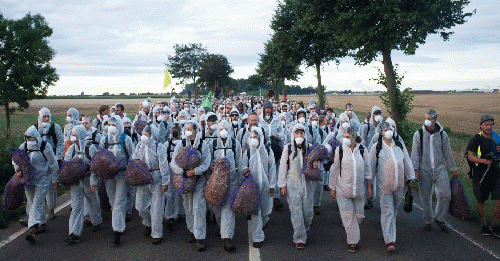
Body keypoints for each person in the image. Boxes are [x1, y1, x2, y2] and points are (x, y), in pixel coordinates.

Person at [369, 122, 414, 252]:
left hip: (398, 186)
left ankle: (389, 230)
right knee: (387, 212)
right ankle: (390, 241)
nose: (389, 131)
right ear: (381, 133)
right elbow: (371, 167)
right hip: (384, 186)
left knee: (393, 211)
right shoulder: (376, 148)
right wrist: (369, 185)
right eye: (386, 129)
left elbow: (406, 160)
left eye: (390, 129)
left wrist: (409, 177)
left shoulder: (399, 145)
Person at [411, 109, 458, 233]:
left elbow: (447, 152)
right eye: (426, 118)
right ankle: (428, 221)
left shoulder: (442, 135)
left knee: (446, 194)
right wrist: (415, 170)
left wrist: (453, 168)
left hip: (439, 168)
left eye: (430, 119)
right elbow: (415, 153)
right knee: (425, 197)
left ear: (435, 120)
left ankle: (440, 218)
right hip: (424, 169)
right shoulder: (419, 134)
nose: (427, 121)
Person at [170, 121, 211, 252]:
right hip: (184, 180)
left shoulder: (202, 144)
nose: (187, 132)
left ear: (195, 130)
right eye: (186, 129)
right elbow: (173, 162)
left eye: (189, 129)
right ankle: (192, 231)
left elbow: (206, 163)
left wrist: (196, 171)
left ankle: (200, 238)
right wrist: (181, 171)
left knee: (198, 207)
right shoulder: (181, 144)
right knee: (188, 207)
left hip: (199, 181)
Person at [329, 130, 372, 253]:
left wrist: (369, 187)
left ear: (355, 137)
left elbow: (368, 170)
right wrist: (332, 187)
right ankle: (353, 242)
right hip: (343, 189)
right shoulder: (340, 150)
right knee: (348, 217)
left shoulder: (363, 150)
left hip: (359, 190)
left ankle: (354, 232)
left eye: (348, 136)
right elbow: (335, 169)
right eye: (344, 136)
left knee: (358, 216)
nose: (345, 138)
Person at [14, 126, 59, 243]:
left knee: (37, 202)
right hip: (28, 180)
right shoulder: (23, 147)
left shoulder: (45, 147)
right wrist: (18, 170)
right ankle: (42, 223)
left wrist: (55, 179)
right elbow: (16, 159)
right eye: (28, 138)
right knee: (32, 201)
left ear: (37, 137)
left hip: (43, 179)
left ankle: (32, 228)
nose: (30, 140)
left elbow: (53, 164)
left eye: (32, 138)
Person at [278, 124, 315, 250]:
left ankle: (304, 228)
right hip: (292, 184)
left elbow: (317, 167)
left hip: (308, 184)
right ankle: (299, 238)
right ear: (292, 134)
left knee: (308, 211)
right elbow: (283, 167)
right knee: (296, 212)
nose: (299, 135)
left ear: (305, 134)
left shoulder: (310, 148)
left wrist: (316, 164)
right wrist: (282, 185)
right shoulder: (288, 148)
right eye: (296, 133)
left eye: (301, 133)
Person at [99, 115, 135, 245]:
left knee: (119, 200)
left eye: (113, 125)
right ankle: (119, 221)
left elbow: (133, 156)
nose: (110, 127)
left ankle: (117, 232)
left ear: (119, 126)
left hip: (122, 174)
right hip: (109, 176)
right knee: (113, 200)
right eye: (109, 125)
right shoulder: (104, 140)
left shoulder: (126, 139)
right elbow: (100, 156)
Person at [64, 125, 102, 245]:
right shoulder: (72, 148)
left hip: (87, 180)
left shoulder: (90, 148)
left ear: (80, 134)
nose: (73, 137)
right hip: (76, 181)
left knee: (92, 201)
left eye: (75, 134)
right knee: (76, 206)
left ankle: (97, 221)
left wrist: (93, 181)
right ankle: (74, 233)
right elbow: (67, 163)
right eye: (72, 134)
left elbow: (95, 166)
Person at [132, 125, 170, 245]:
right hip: (143, 179)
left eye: (146, 135)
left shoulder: (159, 147)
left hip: (156, 179)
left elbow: (164, 164)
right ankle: (148, 222)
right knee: (140, 206)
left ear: (152, 135)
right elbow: (135, 160)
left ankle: (157, 233)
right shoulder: (139, 146)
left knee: (157, 209)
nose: (143, 136)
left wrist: (165, 182)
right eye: (143, 134)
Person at [209, 120, 242, 252]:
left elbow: (239, 161)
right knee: (217, 209)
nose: (223, 131)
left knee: (228, 209)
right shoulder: (213, 144)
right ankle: (221, 226)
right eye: (220, 129)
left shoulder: (235, 144)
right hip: (216, 182)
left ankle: (227, 238)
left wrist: (240, 180)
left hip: (232, 181)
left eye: (225, 129)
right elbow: (209, 161)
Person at [241, 127, 276, 248]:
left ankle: (262, 225)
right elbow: (243, 165)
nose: (253, 140)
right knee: (256, 212)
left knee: (265, 212)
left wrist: (272, 186)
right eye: (251, 137)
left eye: (255, 137)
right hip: (252, 187)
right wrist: (245, 170)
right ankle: (257, 237)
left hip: (265, 186)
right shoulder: (248, 152)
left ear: (260, 138)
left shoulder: (268, 151)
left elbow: (272, 169)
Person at [466, 115, 500, 237]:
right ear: (481, 125)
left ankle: (494, 225)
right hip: (480, 175)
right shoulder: (476, 139)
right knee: (481, 201)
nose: (489, 127)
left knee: (499, 201)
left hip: (496, 174)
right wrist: (484, 161)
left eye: (491, 124)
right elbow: (470, 156)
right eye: (486, 125)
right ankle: (484, 224)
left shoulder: (496, 138)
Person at [31, 108, 64, 222]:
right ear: (40, 117)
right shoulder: (34, 129)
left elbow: (60, 143)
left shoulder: (56, 128)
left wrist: (58, 158)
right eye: (44, 116)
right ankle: (36, 212)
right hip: (38, 161)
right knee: (37, 185)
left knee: (51, 185)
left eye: (48, 116)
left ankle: (51, 209)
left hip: (52, 158)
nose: (46, 119)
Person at [164, 124, 185, 230]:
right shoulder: (166, 145)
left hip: (181, 171)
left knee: (181, 193)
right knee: (170, 194)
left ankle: (181, 212)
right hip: (170, 171)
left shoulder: (184, 143)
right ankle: (170, 216)